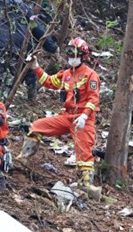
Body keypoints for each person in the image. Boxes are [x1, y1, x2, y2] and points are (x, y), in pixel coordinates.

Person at [19, 38, 100, 187]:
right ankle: (24, 160)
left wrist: (85, 115)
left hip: (83, 119)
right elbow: (49, 81)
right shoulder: (66, 74)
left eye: (74, 53)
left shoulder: (91, 75)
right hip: (66, 116)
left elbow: (93, 98)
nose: (70, 56)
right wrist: (36, 67)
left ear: (83, 55)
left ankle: (86, 185)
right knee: (37, 126)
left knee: (84, 152)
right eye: (68, 52)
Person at [0, 0, 59, 98]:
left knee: (5, 73)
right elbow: (38, 28)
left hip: (3, 46)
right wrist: (52, 47)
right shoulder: (21, 6)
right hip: (24, 44)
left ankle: (5, 97)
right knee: (29, 70)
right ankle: (32, 95)